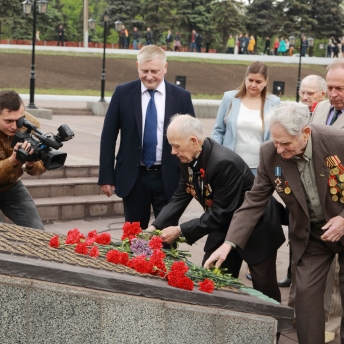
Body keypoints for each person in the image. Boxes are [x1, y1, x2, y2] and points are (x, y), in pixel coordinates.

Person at [204, 100, 344, 344]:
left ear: (306, 133)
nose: (279, 149)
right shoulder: (269, 153)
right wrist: (229, 244)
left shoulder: (337, 141)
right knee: (306, 300)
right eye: (275, 141)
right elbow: (253, 203)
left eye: (285, 143)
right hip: (311, 237)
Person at [147, 114, 286, 305]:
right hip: (223, 224)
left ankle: (275, 328)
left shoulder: (223, 162)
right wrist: (155, 227)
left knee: (264, 284)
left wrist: (180, 231)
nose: (173, 151)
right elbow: (181, 194)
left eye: (176, 146)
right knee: (212, 273)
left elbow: (221, 212)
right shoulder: (187, 157)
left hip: (256, 226)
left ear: (194, 141)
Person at [98, 45, 195, 230]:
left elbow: (192, 139)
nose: (149, 76)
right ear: (137, 66)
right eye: (145, 71)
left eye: (155, 71)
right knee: (134, 235)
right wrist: (106, 176)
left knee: (167, 234)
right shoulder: (123, 93)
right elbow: (108, 136)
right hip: (134, 178)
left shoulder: (182, 97)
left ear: (165, 68)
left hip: (169, 175)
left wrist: (192, 177)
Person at [278, 75, 326, 287]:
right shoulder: (291, 116)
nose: (305, 97)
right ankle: (293, 273)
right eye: (302, 93)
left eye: (310, 93)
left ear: (321, 95)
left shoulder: (324, 116)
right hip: (299, 190)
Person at [212, 61, 280, 176]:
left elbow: (276, 136)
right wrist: (215, 155)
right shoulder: (229, 98)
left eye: (258, 82)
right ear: (245, 78)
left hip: (260, 169)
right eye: (250, 80)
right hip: (229, 165)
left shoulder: (274, 102)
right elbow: (218, 130)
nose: (253, 85)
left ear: (266, 81)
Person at [0, 90, 45, 230]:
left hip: (11, 186)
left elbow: (41, 165)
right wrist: (12, 161)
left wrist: (32, 163)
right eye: (8, 121)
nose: (14, 126)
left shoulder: (30, 124)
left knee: (37, 232)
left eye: (18, 120)